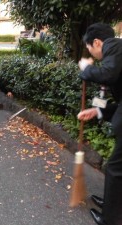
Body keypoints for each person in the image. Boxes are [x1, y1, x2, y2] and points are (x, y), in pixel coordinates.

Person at [77, 23, 122, 225]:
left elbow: (106, 74)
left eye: (91, 51)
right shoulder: (117, 53)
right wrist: (98, 110)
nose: (93, 56)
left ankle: (109, 220)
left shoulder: (115, 47)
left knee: (115, 168)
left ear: (97, 42)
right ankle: (111, 204)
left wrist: (87, 69)